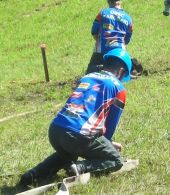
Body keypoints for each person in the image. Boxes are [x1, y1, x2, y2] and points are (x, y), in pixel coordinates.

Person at [20, 49, 132, 185]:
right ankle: (79, 168)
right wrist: (108, 145)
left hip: (56, 130)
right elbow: (110, 126)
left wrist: (104, 144)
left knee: (69, 153)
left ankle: (34, 173)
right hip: (79, 135)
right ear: (121, 71)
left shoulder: (87, 77)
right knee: (116, 160)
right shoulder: (119, 88)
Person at [86, 0, 133, 74]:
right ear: (120, 1)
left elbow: (94, 31)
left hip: (101, 50)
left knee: (90, 72)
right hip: (119, 51)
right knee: (116, 73)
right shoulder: (129, 19)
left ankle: (101, 68)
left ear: (110, 2)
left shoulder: (102, 13)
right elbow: (127, 40)